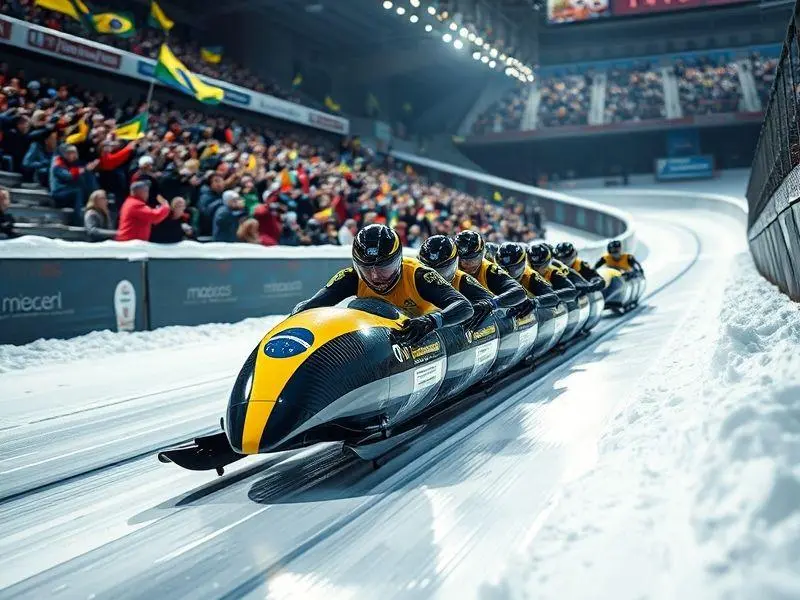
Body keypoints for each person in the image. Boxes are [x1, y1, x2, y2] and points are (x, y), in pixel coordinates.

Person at [292, 224, 473, 345]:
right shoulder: (351, 277)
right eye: (366, 268)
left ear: (398, 261)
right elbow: (310, 306)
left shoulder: (419, 275)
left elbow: (464, 306)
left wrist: (432, 321)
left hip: (423, 338)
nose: (375, 276)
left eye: (384, 268)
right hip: (376, 337)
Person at [496, 242, 563, 307]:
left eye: (513, 268)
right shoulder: (493, 272)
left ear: (523, 263)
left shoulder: (532, 276)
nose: (507, 273)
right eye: (502, 268)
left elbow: (553, 298)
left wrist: (534, 303)